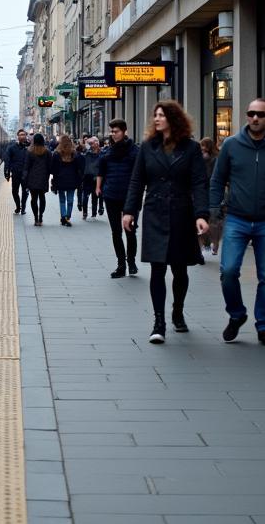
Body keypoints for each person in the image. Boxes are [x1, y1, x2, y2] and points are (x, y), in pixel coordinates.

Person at [210, 98, 265, 346]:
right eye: (250, 113)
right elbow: (217, 180)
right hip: (237, 218)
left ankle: (264, 326)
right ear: (246, 116)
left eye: (260, 114)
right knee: (228, 271)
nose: (255, 118)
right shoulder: (231, 145)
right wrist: (213, 211)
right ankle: (237, 315)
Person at [123, 102, 209, 344]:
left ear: (173, 118)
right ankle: (158, 322)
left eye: (162, 115)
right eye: (155, 115)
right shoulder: (147, 148)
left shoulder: (191, 148)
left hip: (182, 213)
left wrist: (201, 215)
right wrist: (129, 211)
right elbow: (137, 180)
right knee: (157, 268)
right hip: (155, 212)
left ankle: (178, 311)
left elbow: (199, 183)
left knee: (180, 269)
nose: (157, 119)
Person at [97, 118, 139, 279]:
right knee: (116, 232)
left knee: (130, 231)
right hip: (111, 195)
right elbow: (101, 171)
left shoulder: (134, 151)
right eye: (112, 132)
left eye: (116, 131)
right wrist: (99, 187)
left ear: (124, 131)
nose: (113, 134)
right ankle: (121, 265)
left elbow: (140, 174)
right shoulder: (107, 152)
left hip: (130, 197)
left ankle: (132, 262)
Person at [50, 133, 84, 226]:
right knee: (70, 199)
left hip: (60, 180)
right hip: (72, 180)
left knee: (62, 200)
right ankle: (68, 216)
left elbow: (53, 169)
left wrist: (55, 177)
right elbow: (79, 167)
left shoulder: (56, 154)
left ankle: (64, 217)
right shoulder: (74, 154)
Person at [199, 137, 222, 255]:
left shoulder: (216, 158)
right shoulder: (199, 158)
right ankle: (202, 245)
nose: (202, 148)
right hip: (202, 192)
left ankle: (215, 243)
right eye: (201, 145)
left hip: (212, 192)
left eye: (204, 145)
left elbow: (216, 176)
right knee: (202, 218)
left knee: (213, 220)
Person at [22, 132, 51, 226]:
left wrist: (24, 179)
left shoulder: (29, 152)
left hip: (32, 178)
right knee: (42, 197)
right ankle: (41, 217)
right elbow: (50, 167)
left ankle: (36, 219)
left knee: (34, 198)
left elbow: (26, 167)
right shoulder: (47, 152)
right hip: (43, 178)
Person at [3, 129, 30, 214]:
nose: (22, 136)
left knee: (25, 191)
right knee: (15, 191)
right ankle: (18, 206)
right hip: (15, 173)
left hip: (26, 173)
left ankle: (23, 208)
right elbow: (7, 160)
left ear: (26, 136)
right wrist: (6, 173)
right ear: (17, 136)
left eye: (23, 134)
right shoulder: (11, 148)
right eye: (20, 135)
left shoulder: (30, 147)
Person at [79, 136, 102, 219]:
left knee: (95, 196)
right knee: (85, 196)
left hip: (96, 177)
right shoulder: (87, 153)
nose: (94, 144)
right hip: (87, 176)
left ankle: (94, 212)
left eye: (96, 142)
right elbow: (83, 146)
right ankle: (85, 212)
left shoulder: (101, 153)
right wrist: (90, 142)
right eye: (92, 143)